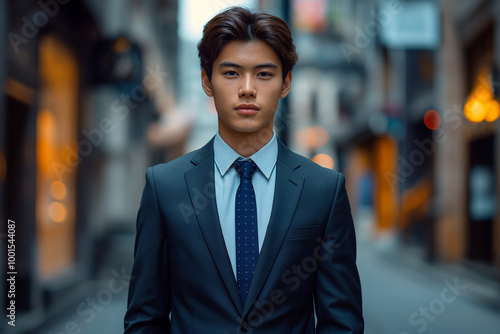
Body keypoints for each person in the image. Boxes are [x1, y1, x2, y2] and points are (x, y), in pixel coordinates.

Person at [124, 6, 364, 334]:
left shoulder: (323, 189)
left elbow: (342, 323)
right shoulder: (165, 186)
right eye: (231, 73)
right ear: (207, 81)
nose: (247, 88)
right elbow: (144, 319)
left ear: (286, 83)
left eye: (264, 74)